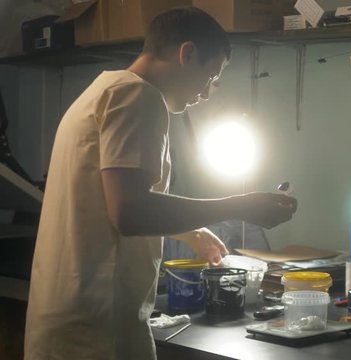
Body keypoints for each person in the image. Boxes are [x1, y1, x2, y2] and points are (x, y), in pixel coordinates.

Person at [23, 6, 297, 360]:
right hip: (98, 324)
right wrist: (241, 205)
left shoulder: (103, 89)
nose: (207, 93)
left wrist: (190, 232)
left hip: (69, 314)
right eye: (211, 76)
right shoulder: (139, 96)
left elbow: (108, 203)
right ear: (188, 53)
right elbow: (130, 213)